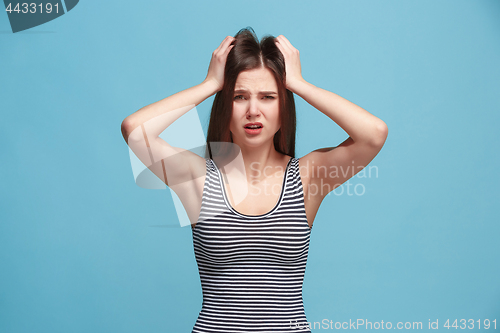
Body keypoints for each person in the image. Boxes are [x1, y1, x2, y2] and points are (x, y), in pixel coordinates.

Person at [121, 27, 387, 333]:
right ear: (225, 106)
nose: (253, 110)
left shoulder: (308, 177)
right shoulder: (196, 178)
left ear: (283, 106)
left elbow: (373, 134)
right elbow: (134, 129)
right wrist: (210, 84)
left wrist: (298, 84)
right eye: (239, 96)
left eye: (268, 97)